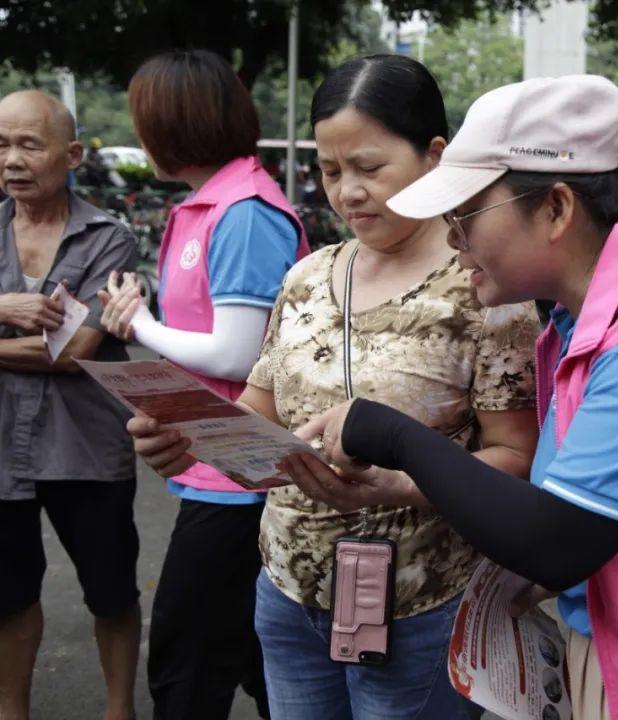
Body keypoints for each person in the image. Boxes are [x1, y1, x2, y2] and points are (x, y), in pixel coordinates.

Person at [283, 75, 618, 720]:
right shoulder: (586, 317)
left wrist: (393, 435)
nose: (452, 238)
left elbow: (557, 541)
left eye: (465, 215)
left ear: (555, 209)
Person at [124, 54, 541, 720]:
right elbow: (255, 414)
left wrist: (407, 483)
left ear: (435, 155)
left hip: (422, 602)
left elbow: (515, 459)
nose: (347, 192)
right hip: (289, 592)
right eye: (330, 170)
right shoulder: (307, 278)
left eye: (370, 168)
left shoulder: (485, 289)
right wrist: (189, 437)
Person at [97, 50, 310, 720]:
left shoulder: (245, 211)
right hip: (217, 465)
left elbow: (239, 352)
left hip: (241, 472)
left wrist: (140, 326)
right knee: (252, 657)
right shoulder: (212, 203)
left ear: (177, 125)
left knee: (187, 666)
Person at [0, 90, 140, 720]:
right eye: (1, 145)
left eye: (29, 144)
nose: (12, 159)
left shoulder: (107, 238)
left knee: (110, 592)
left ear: (72, 154)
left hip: (85, 446)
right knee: (7, 596)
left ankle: (118, 709)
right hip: (1, 451)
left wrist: (39, 341)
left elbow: (74, 350)